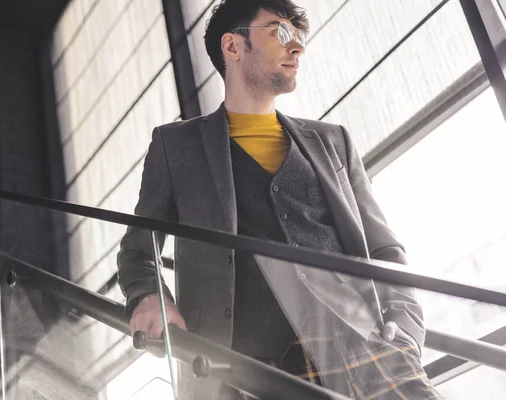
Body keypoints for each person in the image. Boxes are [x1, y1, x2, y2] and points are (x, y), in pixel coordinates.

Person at [117, 0, 441, 398]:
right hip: (245, 368)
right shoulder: (175, 146)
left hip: (366, 348)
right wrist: (151, 297)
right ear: (233, 47)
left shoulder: (333, 141)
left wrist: (404, 324)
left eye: (298, 36)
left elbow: (384, 247)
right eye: (279, 32)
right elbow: (138, 251)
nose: (298, 47)